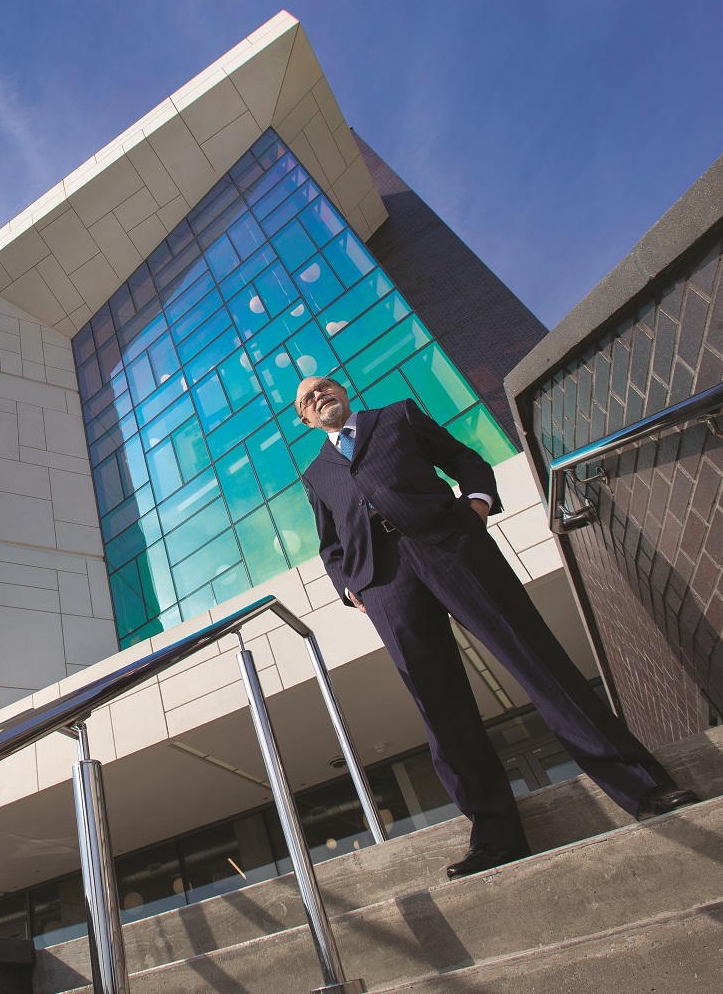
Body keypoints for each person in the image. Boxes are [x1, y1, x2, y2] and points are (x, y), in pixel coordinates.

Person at [294, 375, 697, 879]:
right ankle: (495, 836)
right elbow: (329, 543)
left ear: (343, 394)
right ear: (305, 419)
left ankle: (642, 786)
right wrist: (349, 585)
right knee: (438, 704)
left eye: (325, 386)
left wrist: (477, 506)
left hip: (451, 546)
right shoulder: (316, 474)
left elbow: (465, 460)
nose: (319, 395)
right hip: (385, 583)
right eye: (307, 398)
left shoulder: (395, 417)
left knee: (534, 658)